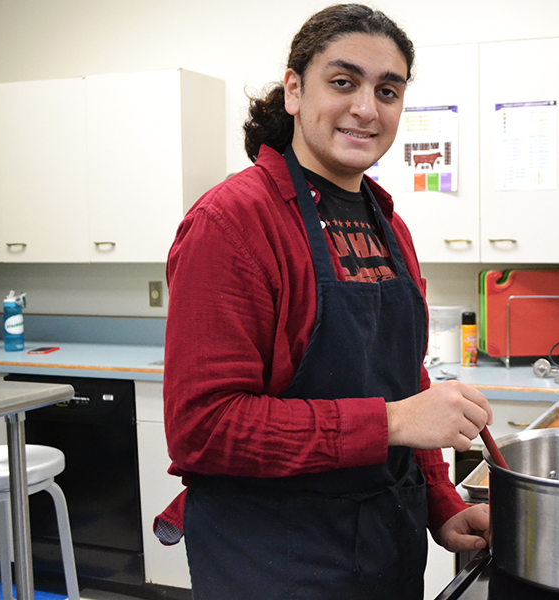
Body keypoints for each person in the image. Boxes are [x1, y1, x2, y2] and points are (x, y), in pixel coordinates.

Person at [153, 4, 493, 599]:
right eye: (343, 82)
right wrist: (390, 422)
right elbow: (204, 428)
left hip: (388, 542)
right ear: (293, 90)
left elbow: (401, 379)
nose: (366, 108)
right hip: (273, 555)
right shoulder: (232, 223)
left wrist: (441, 502)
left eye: (387, 90)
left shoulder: (387, 223)